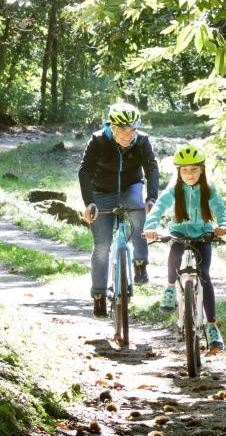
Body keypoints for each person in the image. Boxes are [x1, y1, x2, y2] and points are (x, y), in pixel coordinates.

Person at [143, 143, 226, 350]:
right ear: (178, 172)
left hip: (202, 234)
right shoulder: (174, 190)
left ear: (202, 170)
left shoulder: (208, 190)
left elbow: (221, 208)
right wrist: (150, 226)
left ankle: (211, 327)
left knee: (205, 276)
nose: (189, 174)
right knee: (175, 249)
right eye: (185, 170)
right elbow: (159, 208)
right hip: (180, 232)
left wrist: (223, 225)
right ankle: (171, 287)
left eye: (194, 169)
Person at [79, 102, 160, 317]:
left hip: (131, 185)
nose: (128, 135)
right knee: (102, 245)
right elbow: (85, 171)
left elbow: (151, 168)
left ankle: (140, 262)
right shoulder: (98, 140)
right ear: (112, 126)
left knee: (137, 209)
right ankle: (98, 296)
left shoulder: (142, 141)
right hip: (102, 192)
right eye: (124, 130)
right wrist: (89, 202)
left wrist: (151, 198)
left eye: (132, 129)